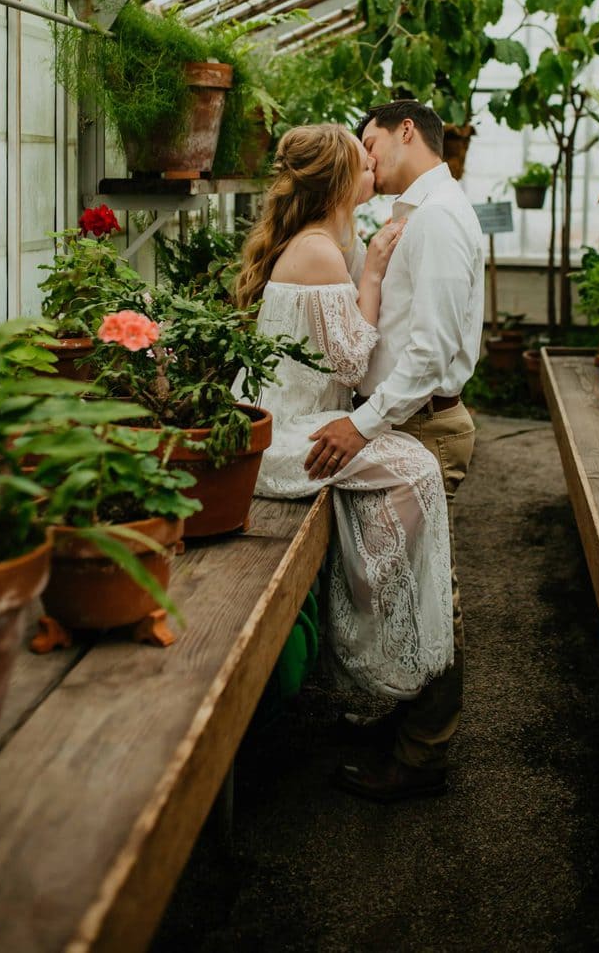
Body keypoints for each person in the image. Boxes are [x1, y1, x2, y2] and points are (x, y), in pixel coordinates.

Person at [236, 123, 455, 725]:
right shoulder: (316, 251)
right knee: (415, 468)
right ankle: (374, 633)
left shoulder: (333, 238)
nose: (374, 169)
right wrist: (377, 274)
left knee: (412, 468)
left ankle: (387, 623)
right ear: (339, 180)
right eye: (363, 164)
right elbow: (353, 360)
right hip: (285, 430)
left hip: (311, 416)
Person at [306, 100, 484, 801]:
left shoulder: (437, 217)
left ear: (407, 130)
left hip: (421, 428)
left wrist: (364, 423)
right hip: (407, 424)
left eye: (371, 140)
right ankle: (411, 723)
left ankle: (422, 756)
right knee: (414, 584)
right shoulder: (422, 211)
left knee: (434, 591)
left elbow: (431, 350)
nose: (365, 156)